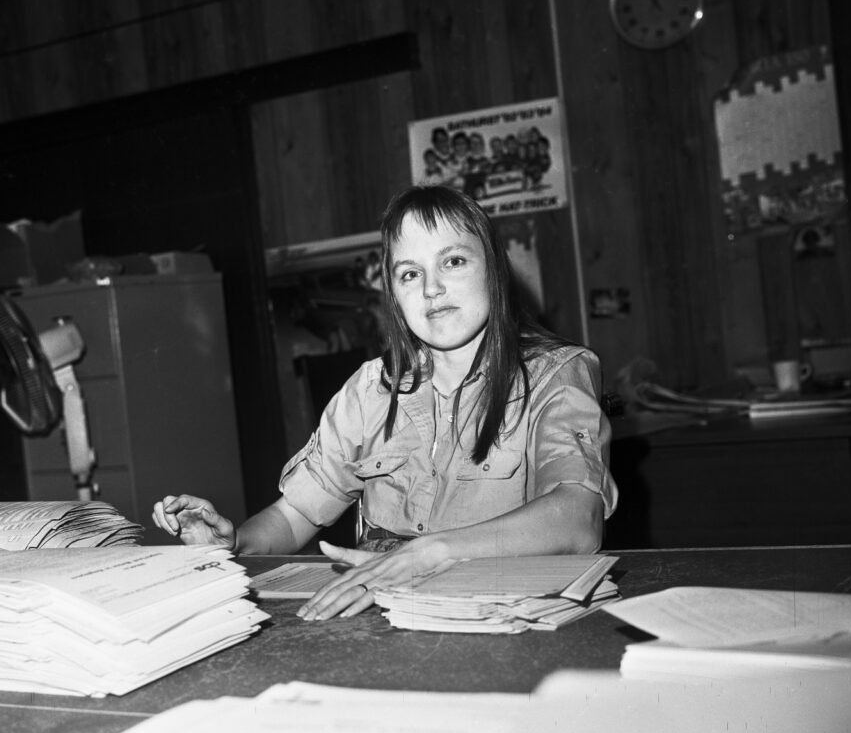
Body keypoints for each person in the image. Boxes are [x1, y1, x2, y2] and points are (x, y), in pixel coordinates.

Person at [153, 185, 617, 621]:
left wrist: (433, 552)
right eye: (410, 274)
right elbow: (293, 516)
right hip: (380, 622)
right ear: (394, 295)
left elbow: (579, 518)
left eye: (453, 261)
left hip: (498, 619)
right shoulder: (370, 390)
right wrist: (234, 541)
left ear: (494, 270)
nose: (431, 288)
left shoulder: (557, 373)